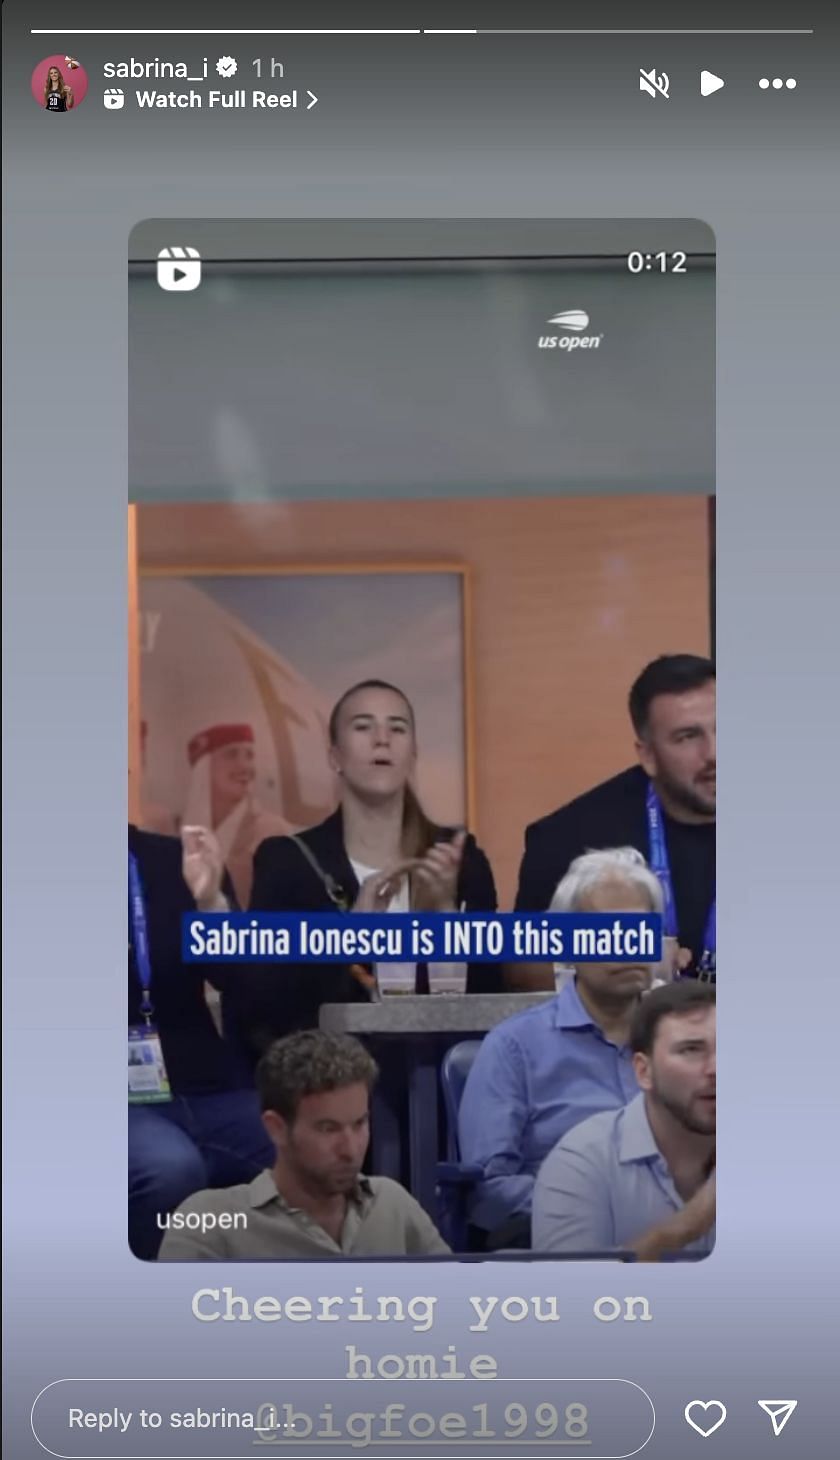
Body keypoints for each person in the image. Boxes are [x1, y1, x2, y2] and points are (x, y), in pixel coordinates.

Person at [224, 680, 500, 1063]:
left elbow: (488, 997)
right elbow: (265, 1004)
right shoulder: (288, 862)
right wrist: (348, 940)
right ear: (335, 756)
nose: (382, 739)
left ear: (412, 754)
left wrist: (445, 921)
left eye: (397, 728)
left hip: (445, 1077)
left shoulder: (460, 858)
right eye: (363, 726)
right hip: (334, 1083)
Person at [458, 848, 661, 1246]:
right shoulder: (515, 1047)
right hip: (560, 1239)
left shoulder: (687, 1042)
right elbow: (490, 1189)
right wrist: (588, 1207)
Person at [158, 1031, 450, 1259]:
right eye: (328, 1129)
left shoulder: (393, 1204)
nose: (350, 1149)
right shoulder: (211, 1222)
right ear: (277, 1129)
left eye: (360, 1124)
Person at [515, 654, 715, 984]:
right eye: (688, 737)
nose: (713, 753)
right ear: (648, 756)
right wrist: (608, 953)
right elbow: (520, 966)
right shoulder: (571, 837)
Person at [128, 825, 274, 1260]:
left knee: (310, 1148)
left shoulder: (177, 859)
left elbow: (240, 982)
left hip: (204, 1087)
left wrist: (211, 904)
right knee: (170, 1168)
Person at [532, 981, 715, 1259]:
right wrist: (685, 1228)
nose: (716, 1069)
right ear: (644, 1071)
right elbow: (565, 1297)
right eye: (691, 1050)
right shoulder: (582, 1161)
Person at [182, 722, 291, 908]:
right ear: (204, 767)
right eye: (231, 755)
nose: (245, 766)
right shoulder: (180, 834)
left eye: (249, 755)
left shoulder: (271, 831)